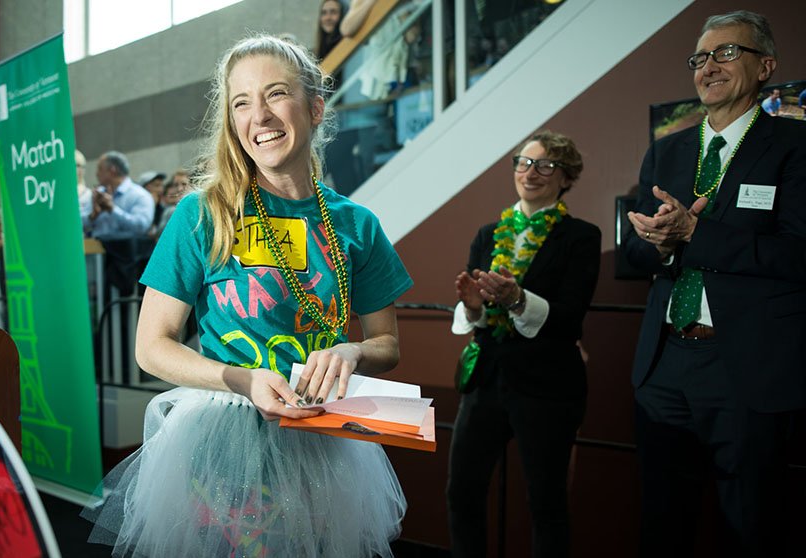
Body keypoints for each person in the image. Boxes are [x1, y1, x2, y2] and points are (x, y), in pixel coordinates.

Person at [84, 34, 413, 557]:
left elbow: (386, 344)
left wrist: (351, 350)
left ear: (316, 107)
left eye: (276, 94)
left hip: (325, 442)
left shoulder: (358, 225)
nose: (259, 115)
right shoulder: (203, 214)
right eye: (242, 102)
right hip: (223, 440)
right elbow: (152, 346)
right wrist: (242, 379)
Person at [625, 10, 806, 557]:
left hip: (746, 366)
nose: (709, 66)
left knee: (748, 524)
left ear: (765, 66)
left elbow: (797, 252)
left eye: (727, 53)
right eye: (700, 57)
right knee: (661, 522)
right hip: (664, 364)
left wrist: (695, 235)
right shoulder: (669, 149)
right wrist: (656, 243)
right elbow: (636, 247)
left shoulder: (796, 145)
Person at [447, 131, 600, 558]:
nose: (531, 173)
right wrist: (474, 305)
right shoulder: (488, 233)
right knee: (462, 494)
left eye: (546, 165)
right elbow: (473, 318)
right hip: (486, 383)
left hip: (549, 386)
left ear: (565, 177)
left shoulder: (581, 237)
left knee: (546, 504)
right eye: (524, 162)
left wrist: (516, 298)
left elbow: (570, 317)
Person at [83, 151, 155, 238]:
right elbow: (76, 225)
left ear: (112, 170)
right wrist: (92, 216)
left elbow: (141, 227)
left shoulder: (140, 195)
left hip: (124, 250)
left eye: (100, 169)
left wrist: (113, 210)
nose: (96, 174)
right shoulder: (97, 194)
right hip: (94, 249)